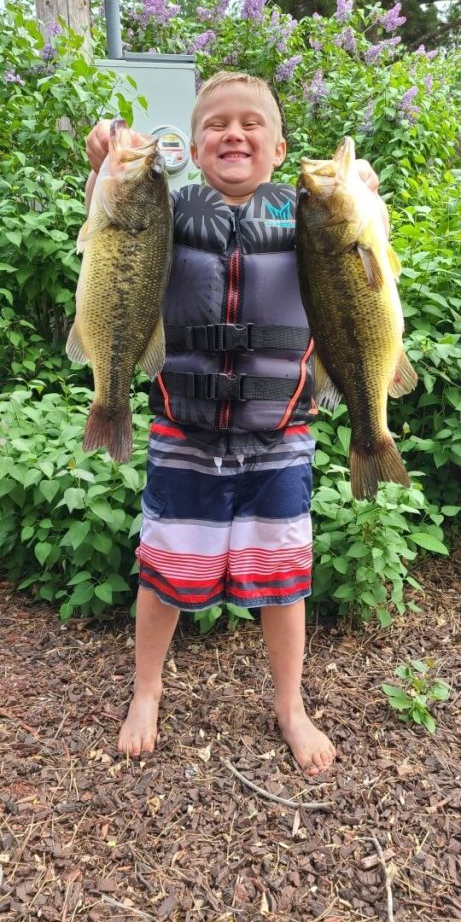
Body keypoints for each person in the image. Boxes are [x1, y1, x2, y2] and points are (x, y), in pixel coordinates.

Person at [86, 71, 387, 777]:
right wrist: (104, 160)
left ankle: (289, 704)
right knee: (164, 577)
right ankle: (146, 690)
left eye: (251, 124)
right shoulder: (167, 206)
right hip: (181, 431)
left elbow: (362, 255)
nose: (234, 133)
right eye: (217, 123)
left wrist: (363, 189)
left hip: (279, 433)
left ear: (279, 148)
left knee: (284, 584)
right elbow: (111, 235)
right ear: (190, 148)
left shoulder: (306, 213)